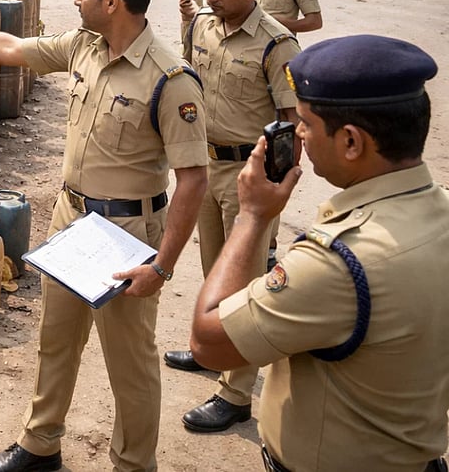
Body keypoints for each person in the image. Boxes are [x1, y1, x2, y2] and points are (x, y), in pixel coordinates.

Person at [0, 0, 209, 472]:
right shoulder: (82, 46)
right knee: (56, 341)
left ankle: (134, 464)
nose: (76, 0)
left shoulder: (170, 79)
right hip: (73, 220)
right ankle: (40, 443)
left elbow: (193, 179)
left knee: (130, 365)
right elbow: (11, 48)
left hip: (128, 236)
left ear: (112, 2)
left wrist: (161, 266)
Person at [190, 35, 449, 472]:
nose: (299, 134)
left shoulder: (338, 263)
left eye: (307, 123)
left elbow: (209, 344)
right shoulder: (439, 211)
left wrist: (252, 217)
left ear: (351, 142)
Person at [162, 0, 302, 433]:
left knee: (244, 283)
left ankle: (236, 393)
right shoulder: (202, 24)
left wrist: (276, 187)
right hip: (204, 166)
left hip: (249, 175)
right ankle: (214, 351)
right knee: (214, 271)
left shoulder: (277, 43)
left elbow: (292, 121)